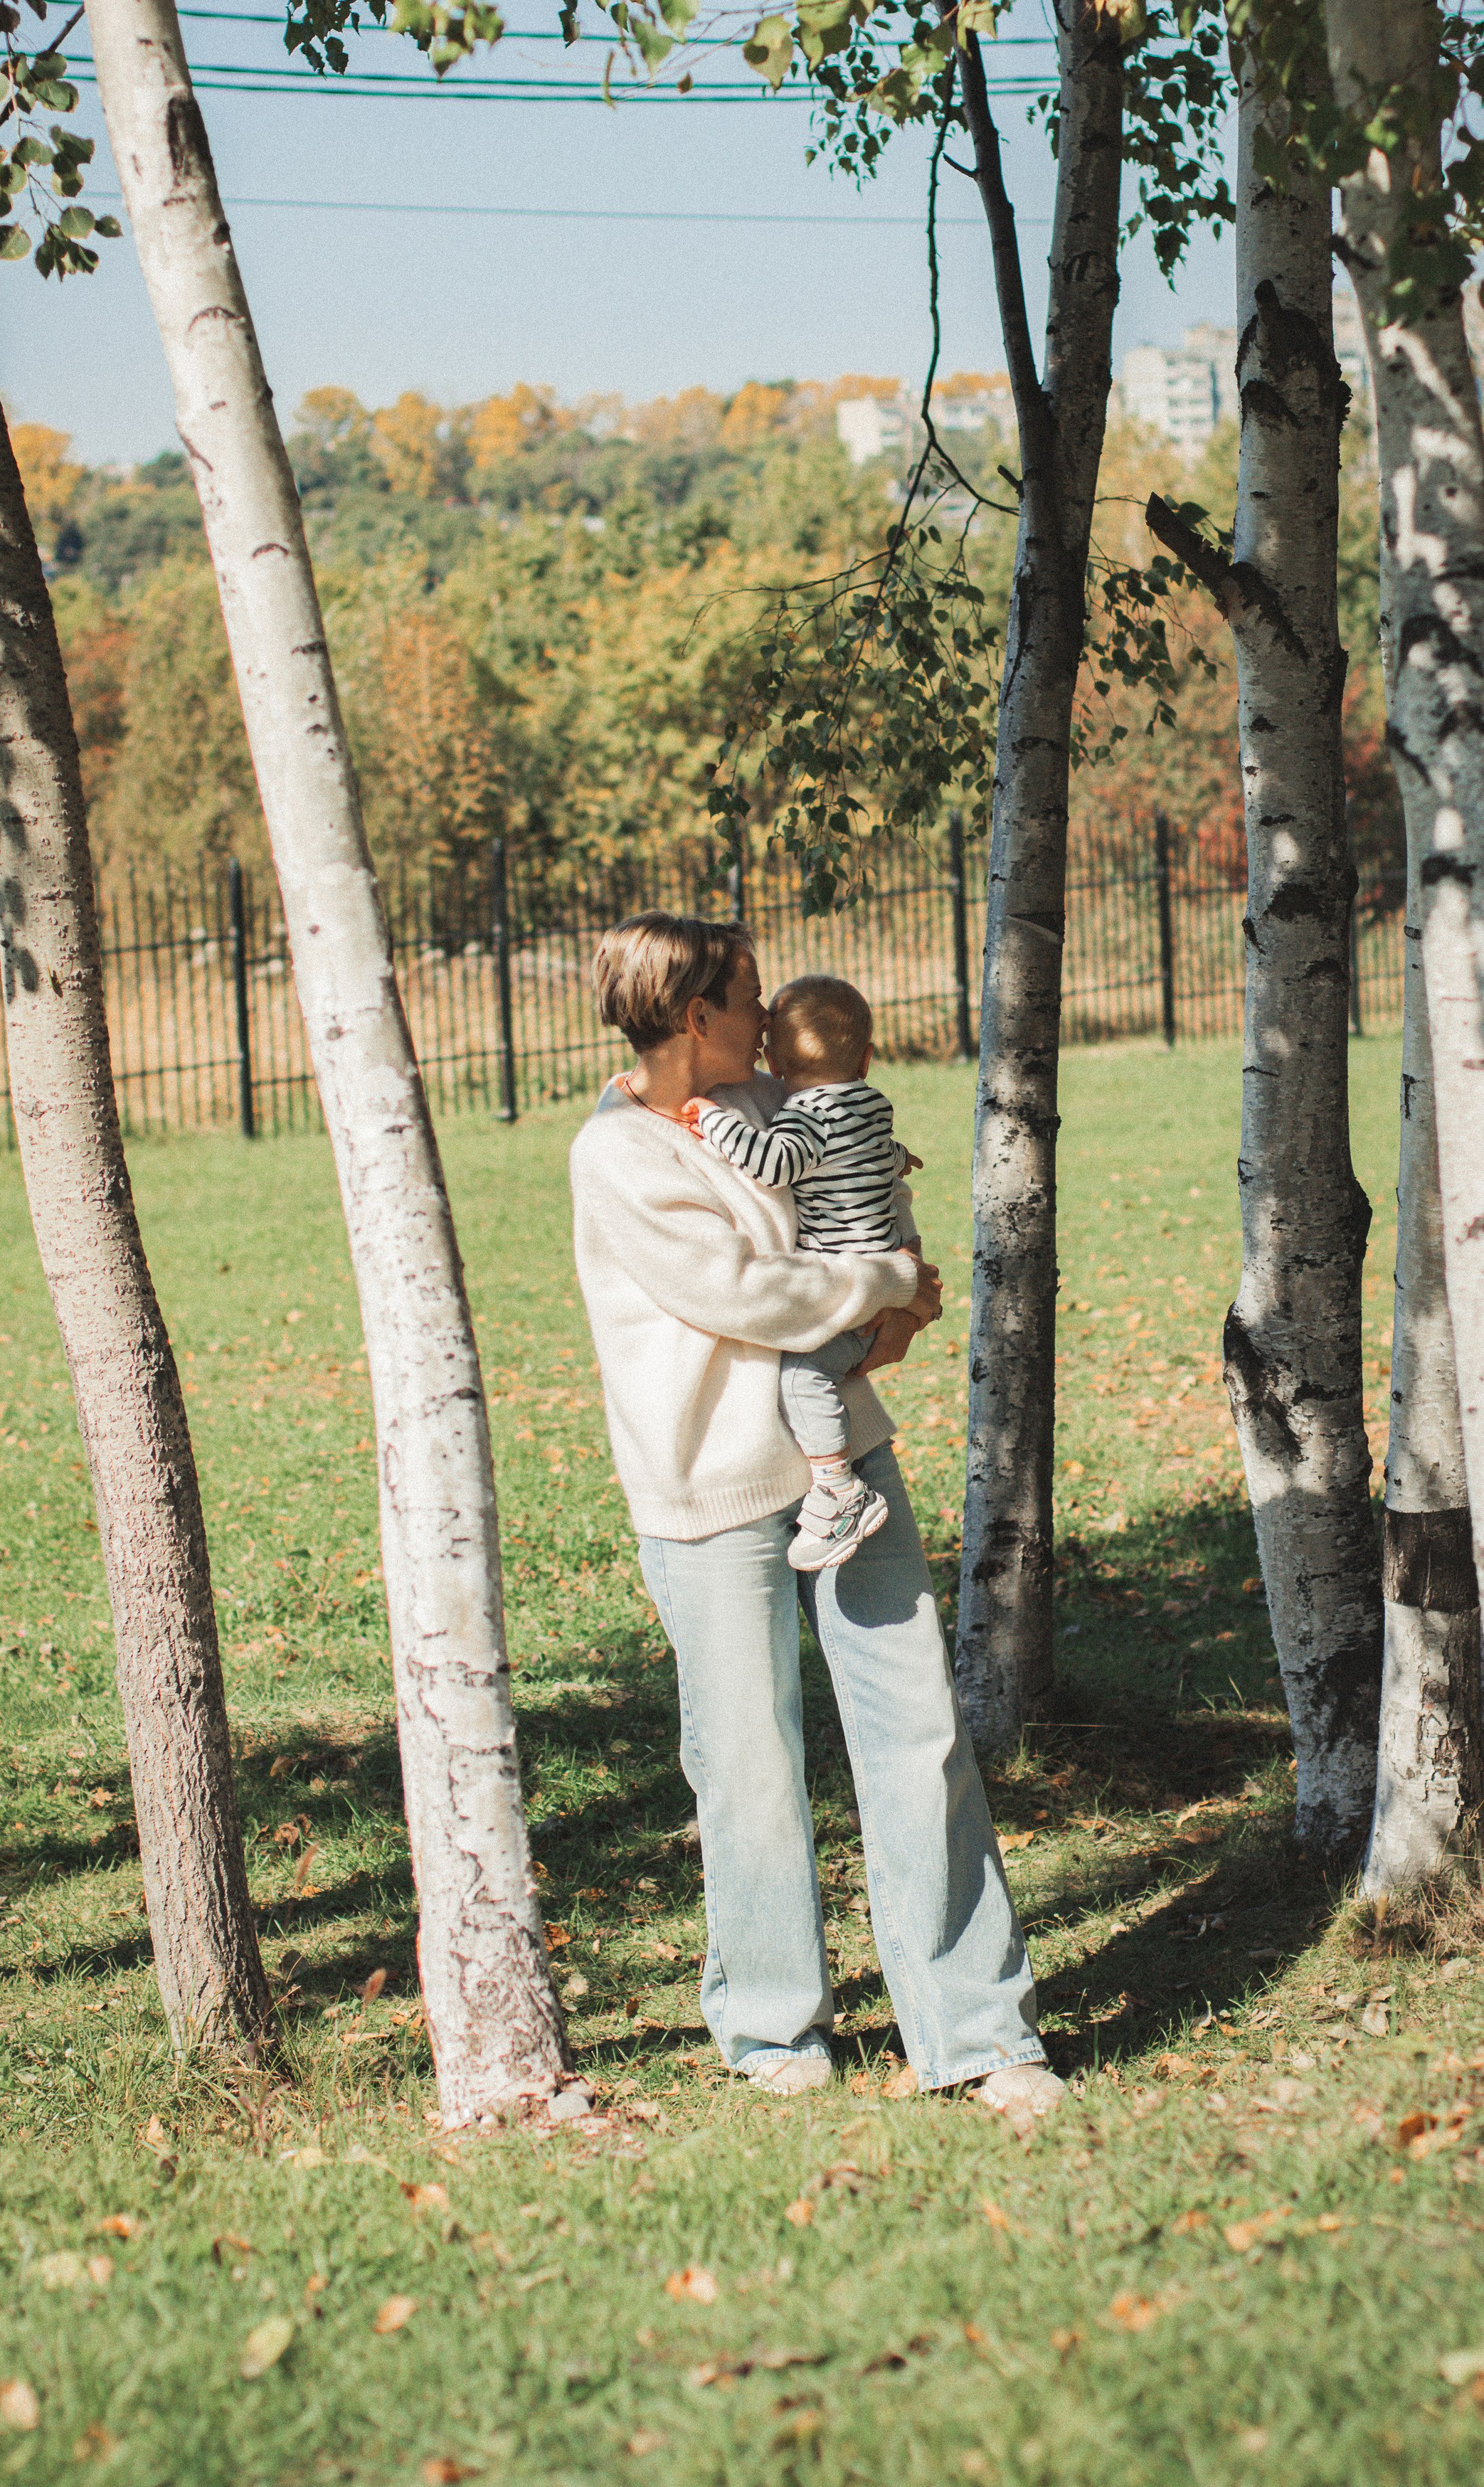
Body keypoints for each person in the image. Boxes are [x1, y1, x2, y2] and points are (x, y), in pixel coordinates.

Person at [568, 910, 1066, 2125]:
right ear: (697, 1018)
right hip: (711, 1488)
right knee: (748, 1763)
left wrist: (875, 1292)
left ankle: (979, 2030)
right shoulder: (621, 1154)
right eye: (749, 1000)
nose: (772, 1019)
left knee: (920, 1735)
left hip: (846, 1457)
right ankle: (774, 2024)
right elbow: (746, 1292)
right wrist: (890, 1287)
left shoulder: (773, 1118)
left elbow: (838, 1225)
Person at [683, 972, 911, 1575]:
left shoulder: (803, 1116)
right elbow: (880, 1155)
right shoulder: (873, 1104)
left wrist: (712, 1120)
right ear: (865, 1056)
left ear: (775, 1064)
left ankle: (839, 1490)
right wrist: (897, 1157)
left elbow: (772, 1165)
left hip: (848, 1292)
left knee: (803, 1378)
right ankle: (839, 1488)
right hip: (880, 1275)